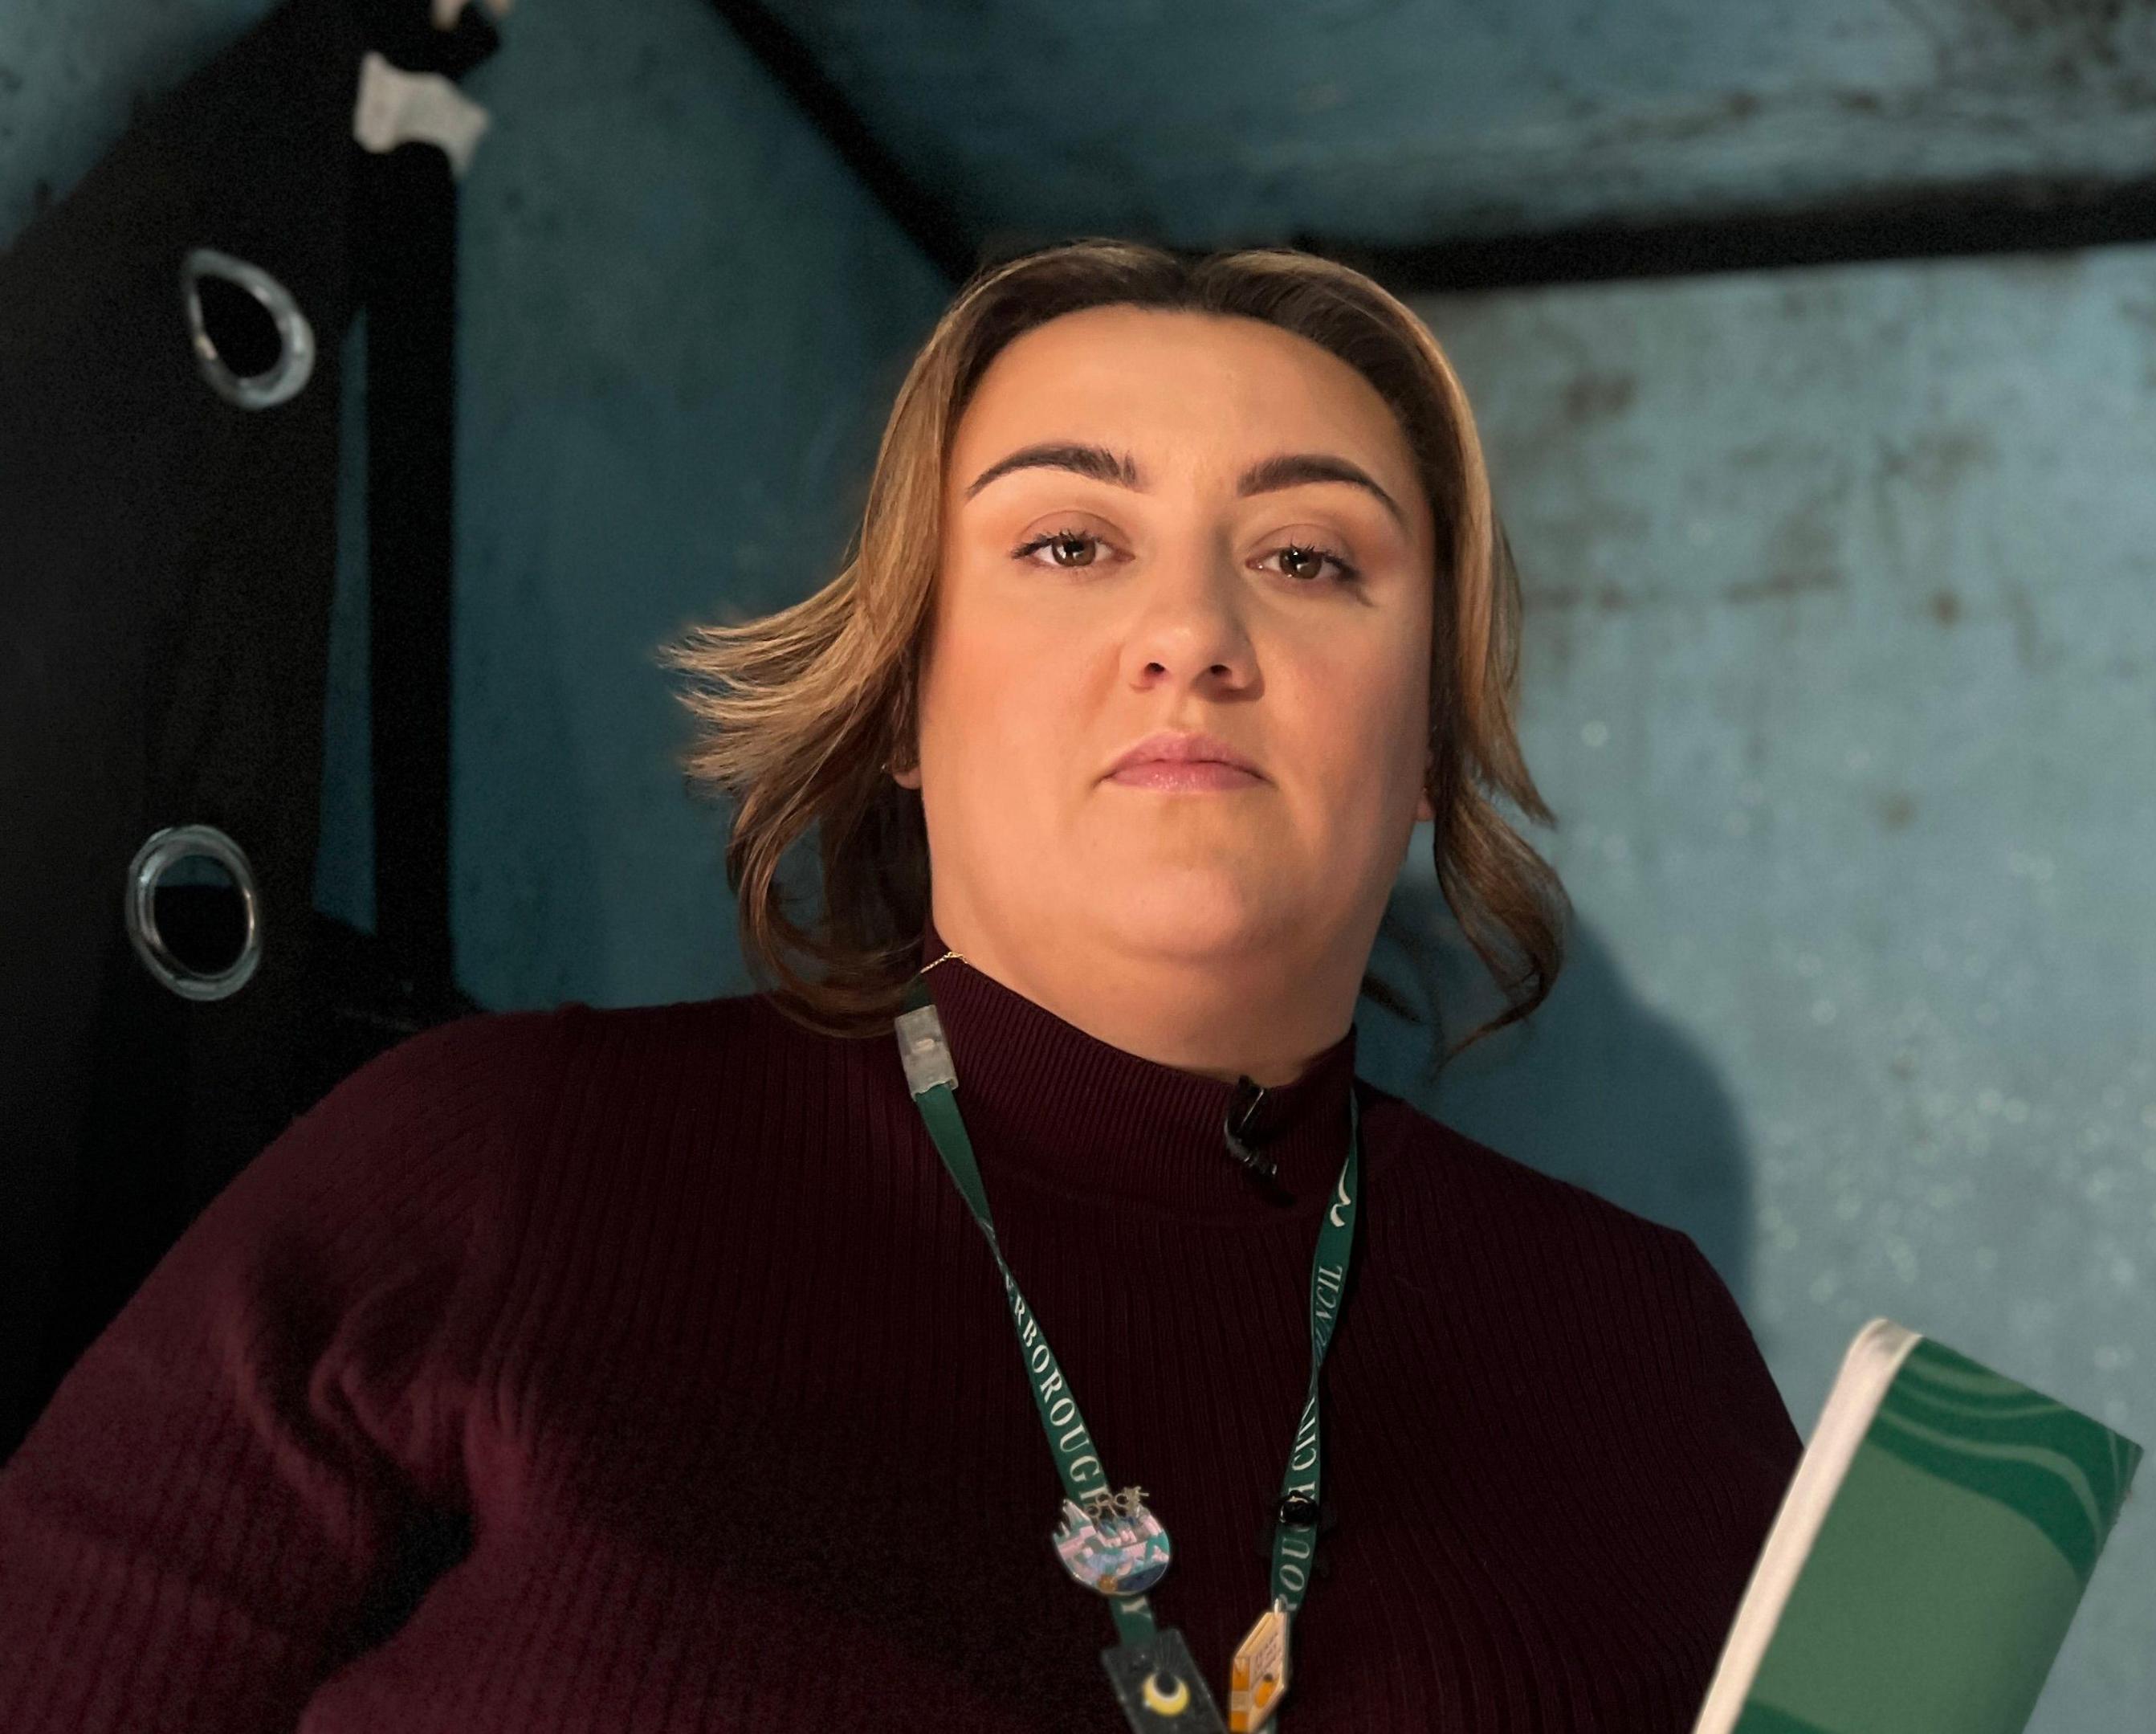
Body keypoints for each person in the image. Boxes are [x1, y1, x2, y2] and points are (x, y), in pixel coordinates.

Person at [0, 240, 1799, 1731]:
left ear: (1425, 740)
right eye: (1069, 544)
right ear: (905, 700)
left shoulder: (1642, 1344)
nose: (1192, 635)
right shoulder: (497, 1163)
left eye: (1311, 558)